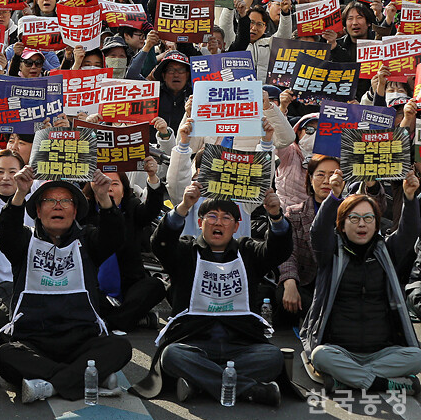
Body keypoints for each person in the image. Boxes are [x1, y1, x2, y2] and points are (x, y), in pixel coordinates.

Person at [137, 181, 291, 405]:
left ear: (236, 227)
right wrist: (184, 206)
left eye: (226, 218)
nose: (218, 222)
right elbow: (160, 244)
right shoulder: (186, 251)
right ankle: (251, 390)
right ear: (200, 223)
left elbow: (279, 251)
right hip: (194, 341)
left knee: (273, 357)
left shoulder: (247, 251)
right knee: (172, 355)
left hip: (240, 343)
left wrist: (275, 216)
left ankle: (199, 384)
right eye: (212, 216)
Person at [0, 168, 133, 403]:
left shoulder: (88, 240)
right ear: (38, 210)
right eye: (50, 201)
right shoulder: (24, 241)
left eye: (65, 201)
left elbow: (115, 236)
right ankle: (86, 378)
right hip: (34, 340)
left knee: (120, 347)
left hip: (81, 339)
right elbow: (5, 232)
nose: (58, 206)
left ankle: (49, 386)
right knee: (6, 356)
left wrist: (102, 197)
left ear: (75, 211)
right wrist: (20, 193)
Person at [303, 171, 421, 392]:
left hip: (381, 351)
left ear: (376, 224)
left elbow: (409, 232)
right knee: (320, 356)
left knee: (417, 357)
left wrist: (410, 197)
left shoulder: (386, 251)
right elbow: (318, 232)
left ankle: (347, 378)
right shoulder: (331, 252)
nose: (362, 224)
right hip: (340, 349)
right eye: (354, 218)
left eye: (368, 218)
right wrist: (334, 197)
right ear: (341, 224)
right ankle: (380, 382)